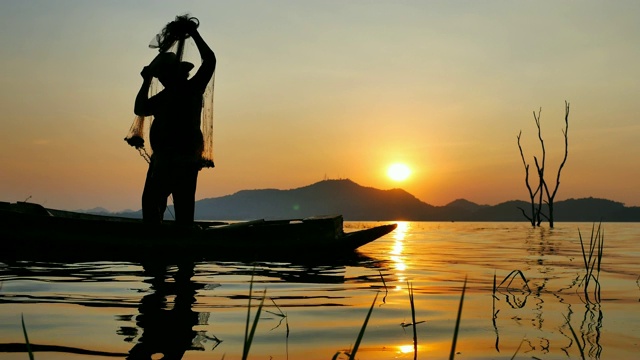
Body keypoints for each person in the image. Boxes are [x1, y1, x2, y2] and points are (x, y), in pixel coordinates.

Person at [134, 20, 216, 226]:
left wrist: (194, 34)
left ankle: (167, 246)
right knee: (172, 208)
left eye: (163, 76)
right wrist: (146, 81)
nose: (161, 79)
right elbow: (140, 109)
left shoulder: (192, 88)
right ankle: (174, 246)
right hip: (170, 160)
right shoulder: (167, 96)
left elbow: (209, 60)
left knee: (162, 207)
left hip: (177, 160)